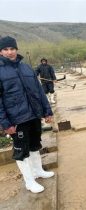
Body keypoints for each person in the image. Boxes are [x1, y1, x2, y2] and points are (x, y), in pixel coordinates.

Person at [0, 36, 54, 193]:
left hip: (33, 115)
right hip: (16, 119)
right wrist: (5, 124)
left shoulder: (27, 68)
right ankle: (29, 181)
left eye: (12, 48)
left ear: (17, 49)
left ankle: (38, 171)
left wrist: (47, 111)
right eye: (6, 49)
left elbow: (39, 92)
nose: (10, 52)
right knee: (21, 152)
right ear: (1, 51)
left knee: (34, 146)